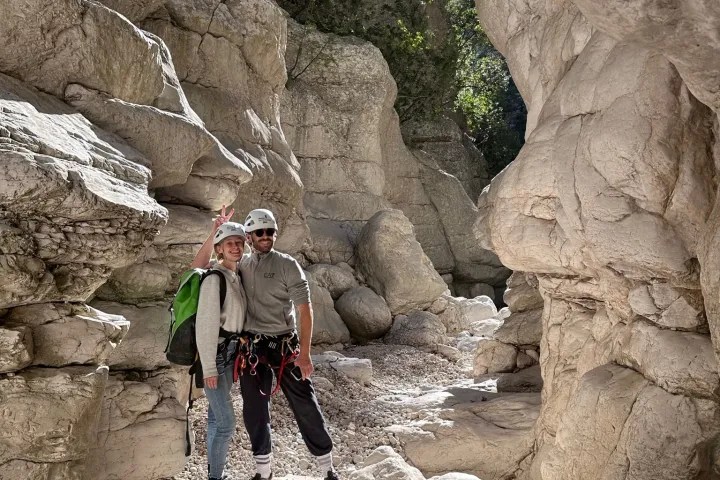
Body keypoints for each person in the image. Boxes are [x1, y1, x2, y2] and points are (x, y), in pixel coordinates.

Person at [192, 207, 338, 480]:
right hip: (252, 349)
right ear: (249, 236)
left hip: (285, 347)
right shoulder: (240, 264)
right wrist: (214, 233)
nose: (265, 236)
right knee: (254, 410)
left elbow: (305, 310)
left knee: (305, 404)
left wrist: (305, 355)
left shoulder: (287, 265)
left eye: (270, 231)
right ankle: (263, 472)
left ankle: (327, 469)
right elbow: (198, 270)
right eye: (259, 232)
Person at [194, 219, 247, 480]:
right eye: (230, 243)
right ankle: (215, 477)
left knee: (215, 419)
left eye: (239, 242)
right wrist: (209, 369)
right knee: (226, 424)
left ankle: (216, 472)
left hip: (229, 356)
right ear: (220, 249)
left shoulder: (236, 276)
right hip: (215, 357)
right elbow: (205, 327)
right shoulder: (214, 279)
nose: (236, 247)